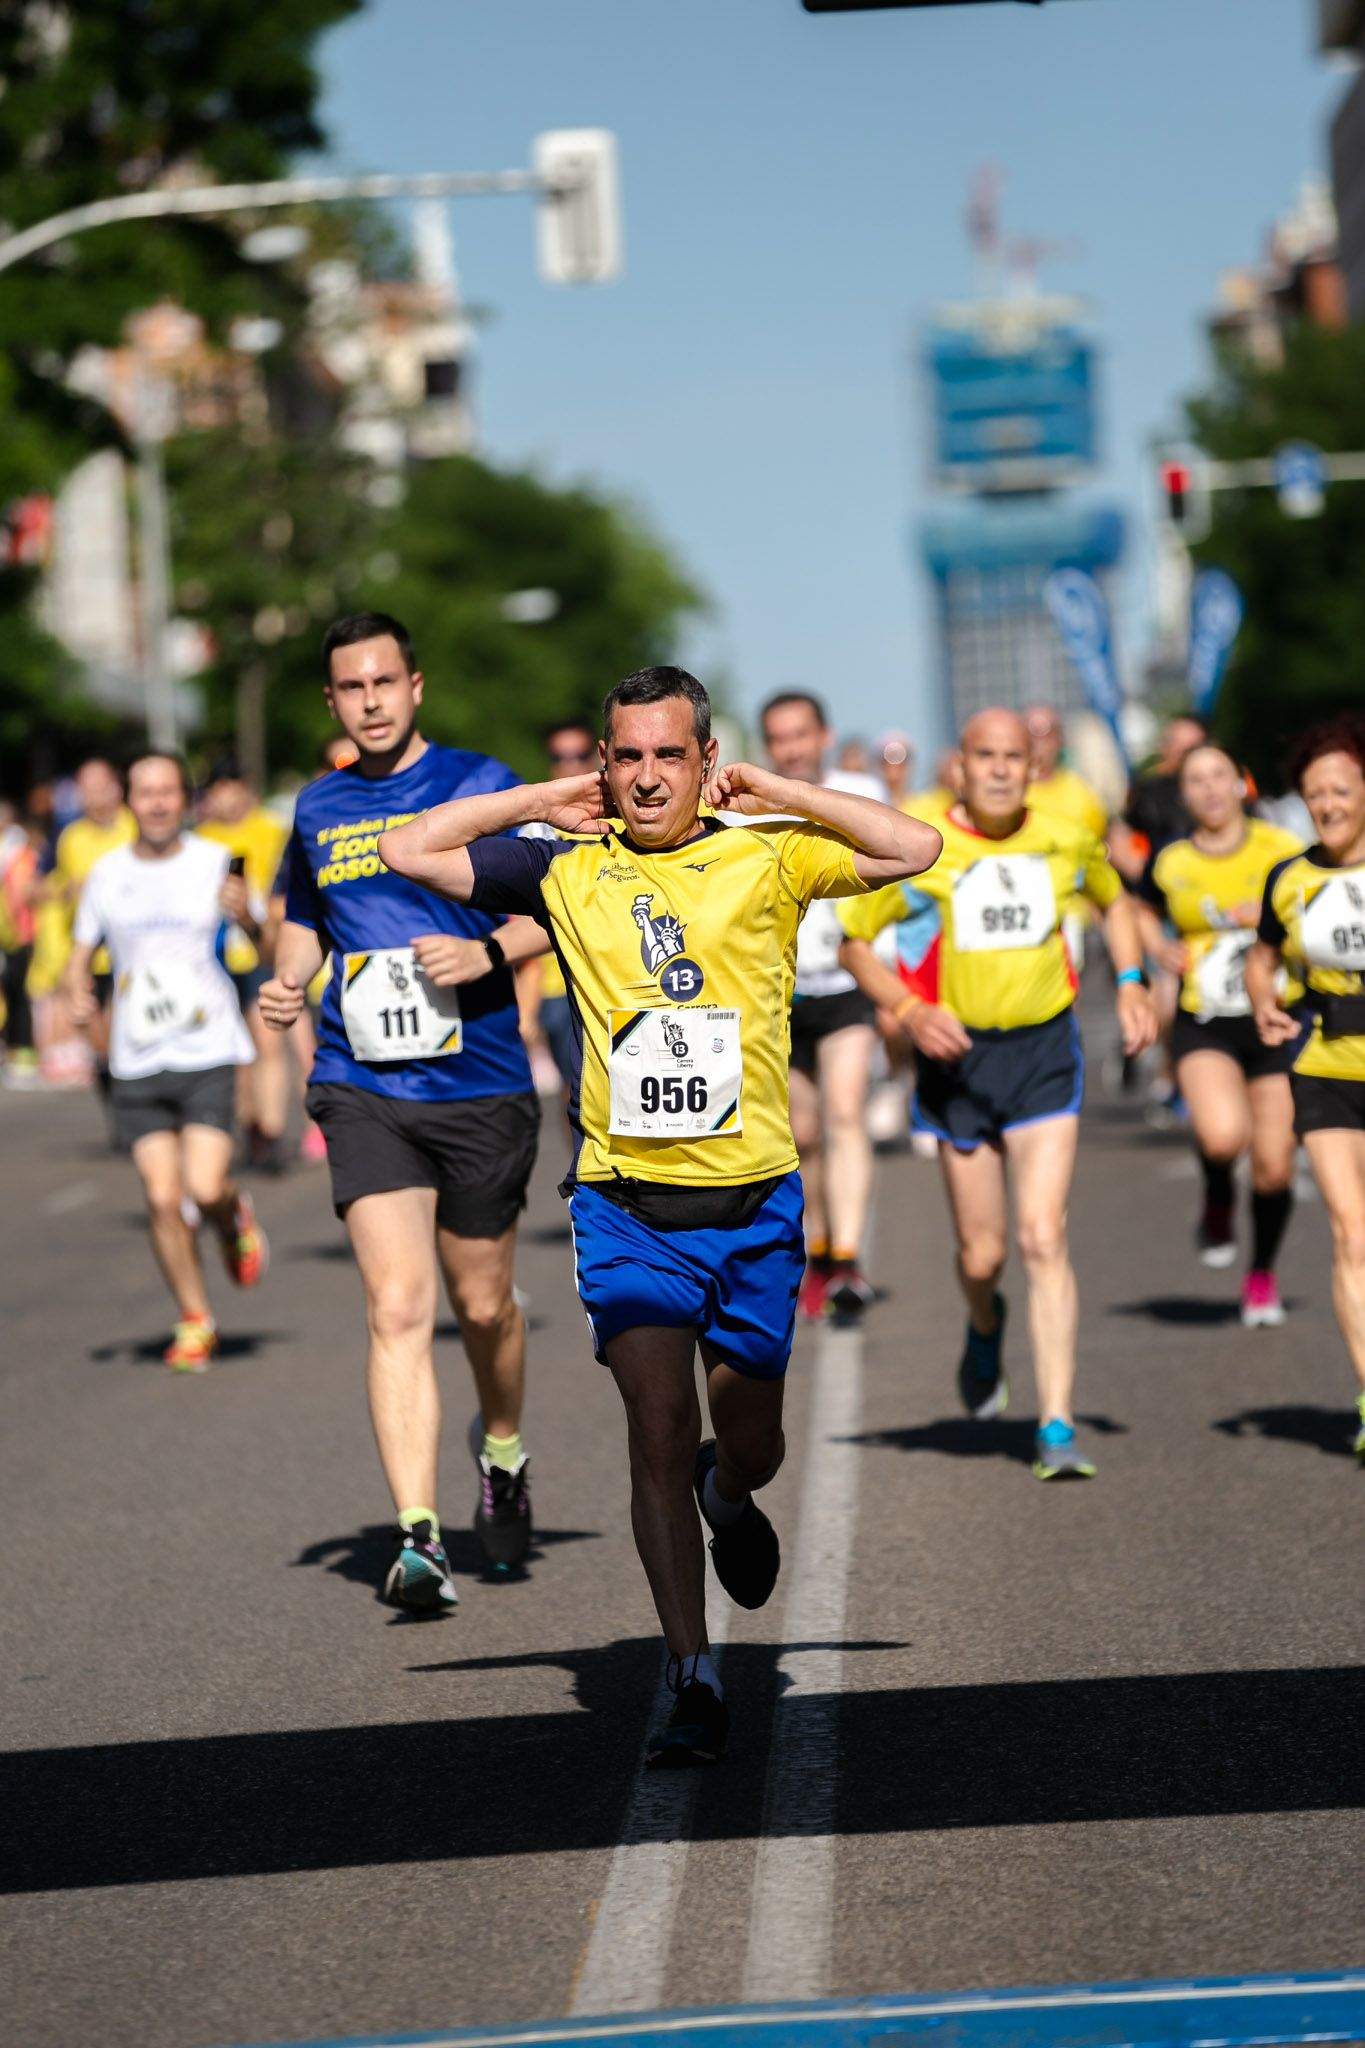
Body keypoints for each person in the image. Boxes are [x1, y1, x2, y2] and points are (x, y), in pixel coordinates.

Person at [378, 665, 942, 1764]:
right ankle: (692, 1668)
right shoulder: (566, 867)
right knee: (654, 1425)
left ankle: (729, 1497)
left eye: (668, 755)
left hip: (755, 1204)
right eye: (625, 755)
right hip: (627, 1205)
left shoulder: (767, 853)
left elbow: (912, 847)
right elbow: (411, 849)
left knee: (750, 1437)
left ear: (702, 759)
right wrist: (537, 800)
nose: (644, 777)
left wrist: (773, 786)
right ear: (604, 762)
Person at [258, 611, 552, 1605]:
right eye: (352, 687)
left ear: (415, 686)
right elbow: (306, 919)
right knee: (396, 1304)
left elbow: (556, 895)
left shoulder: (480, 783)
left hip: (478, 1081)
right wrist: (288, 980)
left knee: (481, 1304)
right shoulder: (319, 804)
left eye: (386, 681)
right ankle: (418, 1535)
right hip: (363, 1082)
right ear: (333, 701)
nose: (372, 700)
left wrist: (489, 951)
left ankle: (503, 1450)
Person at [839, 707, 1157, 1481]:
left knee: (1042, 1236)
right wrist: (910, 1011)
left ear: (1029, 764)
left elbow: (1112, 899)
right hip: (957, 1063)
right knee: (981, 1255)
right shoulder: (919, 840)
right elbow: (854, 943)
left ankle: (1054, 1422)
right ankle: (984, 1323)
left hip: (1044, 1051)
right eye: (985, 755)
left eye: (1013, 756)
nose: (1000, 769)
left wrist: (1129, 981)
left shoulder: (1062, 832)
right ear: (959, 764)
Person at [63, 754, 267, 1369]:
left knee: (203, 1187)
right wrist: (76, 990)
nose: (155, 803)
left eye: (166, 792)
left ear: (184, 800)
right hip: (137, 1056)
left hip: (206, 1049)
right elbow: (82, 948)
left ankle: (232, 1215)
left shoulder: (216, 862)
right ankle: (195, 1317)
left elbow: (264, 943)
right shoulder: (106, 873)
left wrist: (249, 918)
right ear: (129, 800)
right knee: (160, 1198)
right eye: (143, 792)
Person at [1134, 745, 1302, 1321]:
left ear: (1241, 784)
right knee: (1224, 1137)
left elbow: (1319, 902)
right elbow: (1136, 909)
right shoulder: (1172, 860)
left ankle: (1261, 1274)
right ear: (1184, 795)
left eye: (1219, 777)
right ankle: (1216, 1197)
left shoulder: (1281, 850)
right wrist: (1157, 945)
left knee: (1276, 1165)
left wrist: (1274, 915)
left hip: (1277, 1018)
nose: (1208, 789)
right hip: (1203, 1019)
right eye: (1196, 780)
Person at [1247, 713, 1365, 1458]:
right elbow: (1261, 955)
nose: (1327, 805)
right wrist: (1261, 994)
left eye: (1341, 790)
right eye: (1314, 793)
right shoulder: (1288, 879)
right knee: (1351, 1231)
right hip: (1324, 1068)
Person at [760, 691, 886, 1319]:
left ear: (825, 735)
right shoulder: (752, 808)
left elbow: (895, 881)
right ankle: (817, 1248)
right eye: (779, 738)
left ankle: (850, 1259)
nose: (791, 749)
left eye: (801, 735)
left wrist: (891, 987)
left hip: (845, 986)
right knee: (801, 1134)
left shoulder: (858, 791)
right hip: (779, 993)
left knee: (844, 1114)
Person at [196, 761, 291, 1172]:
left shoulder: (272, 829)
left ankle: (270, 1132)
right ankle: (247, 1124)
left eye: (230, 786)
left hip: (260, 949)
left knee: (267, 1040)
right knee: (233, 1050)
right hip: (213, 957)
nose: (224, 797)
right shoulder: (200, 839)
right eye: (216, 789)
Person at [517, 719, 600, 1101]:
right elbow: (519, 922)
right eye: (559, 756)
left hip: (609, 979)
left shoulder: (623, 821)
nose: (570, 765)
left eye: (579, 755)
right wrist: (526, 1009)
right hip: (553, 989)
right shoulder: (535, 832)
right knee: (575, 1098)